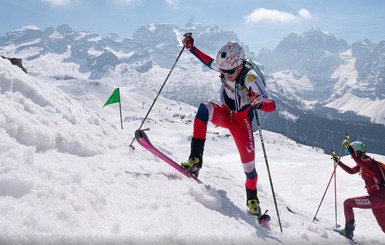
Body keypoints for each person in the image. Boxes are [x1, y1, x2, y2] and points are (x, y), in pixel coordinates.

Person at [180, 33, 276, 216]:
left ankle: (252, 200)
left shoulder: (250, 78)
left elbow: (272, 105)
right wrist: (191, 47)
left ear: (240, 66)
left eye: (230, 72)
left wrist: (259, 104)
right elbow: (208, 61)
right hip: (226, 113)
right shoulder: (227, 66)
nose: (225, 75)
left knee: (249, 169)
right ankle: (195, 160)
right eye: (223, 72)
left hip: (241, 122)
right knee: (203, 110)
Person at [332, 135, 385, 239]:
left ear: (358, 152)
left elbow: (359, 162)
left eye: (353, 154)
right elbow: (351, 171)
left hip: (377, 199)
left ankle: (348, 232)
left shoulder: (368, 162)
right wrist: (338, 162)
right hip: (380, 201)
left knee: (348, 203)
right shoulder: (365, 164)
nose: (351, 156)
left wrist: (349, 148)